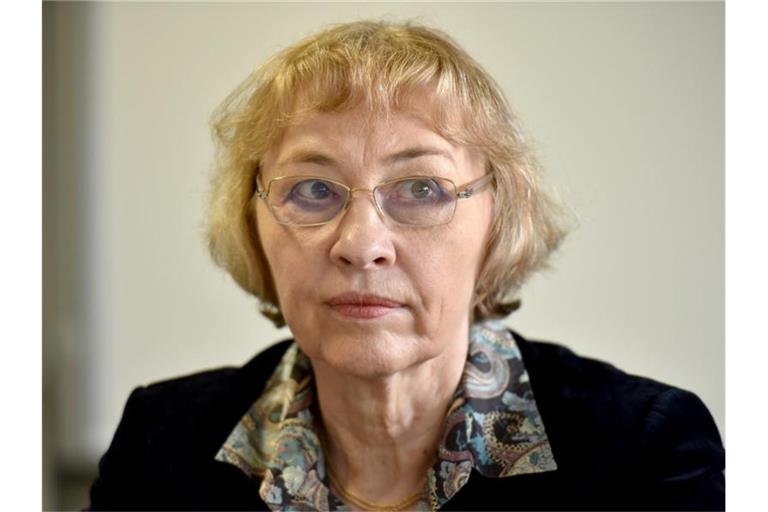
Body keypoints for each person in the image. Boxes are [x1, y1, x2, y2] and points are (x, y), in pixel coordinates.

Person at [88, 21, 724, 511]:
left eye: (421, 189)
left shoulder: (643, 449)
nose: (362, 244)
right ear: (252, 221)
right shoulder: (161, 444)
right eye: (312, 190)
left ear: (498, 221)